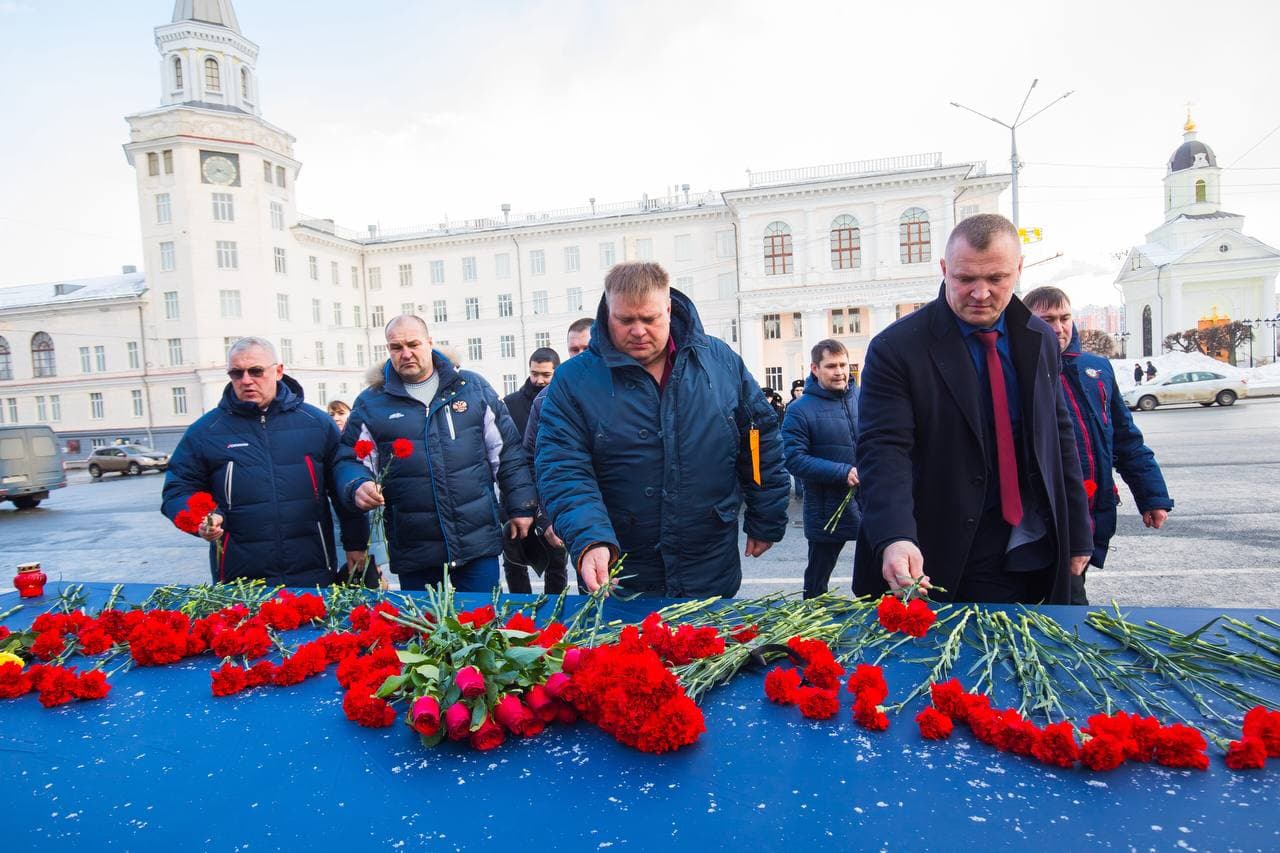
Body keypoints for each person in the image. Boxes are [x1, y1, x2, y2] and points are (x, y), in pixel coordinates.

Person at [852, 214, 1093, 605]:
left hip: (1035, 542)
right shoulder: (897, 349)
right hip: (942, 550)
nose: (980, 293)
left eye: (996, 279)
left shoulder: (1040, 338)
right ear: (945, 270)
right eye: (965, 279)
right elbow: (883, 451)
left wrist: (1078, 533)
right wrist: (896, 537)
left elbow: (1059, 435)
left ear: (1018, 270)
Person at [536, 261, 790, 598]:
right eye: (625, 320)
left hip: (708, 559)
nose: (638, 331)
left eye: (650, 319)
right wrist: (589, 539)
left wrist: (767, 513)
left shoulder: (720, 362)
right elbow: (562, 467)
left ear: (668, 309)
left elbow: (758, 439)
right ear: (607, 313)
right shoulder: (574, 380)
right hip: (618, 567)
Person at [335, 315, 537, 591]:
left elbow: (507, 452)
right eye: (396, 347)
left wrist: (520, 505)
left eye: (413, 344)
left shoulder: (472, 388)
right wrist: (357, 484)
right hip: (414, 547)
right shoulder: (372, 402)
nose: (406, 353)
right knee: (422, 629)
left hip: (475, 542)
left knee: (482, 625)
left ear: (429, 343)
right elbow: (350, 459)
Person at [162, 337, 368, 585]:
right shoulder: (206, 431)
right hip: (239, 578)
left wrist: (356, 544)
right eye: (237, 373)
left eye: (256, 371)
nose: (246, 380)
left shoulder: (316, 423)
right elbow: (178, 489)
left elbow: (342, 486)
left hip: (311, 569)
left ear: (278, 371)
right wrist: (201, 519)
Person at [1023, 287, 1174, 604]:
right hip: (1046, 517)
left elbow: (1125, 439)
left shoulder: (1097, 370)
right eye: (1046, 319)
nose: (1058, 328)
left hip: (1093, 510)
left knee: (1069, 594)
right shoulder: (1017, 371)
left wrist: (1152, 495)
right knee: (1066, 603)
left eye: (1064, 318)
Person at [782, 339, 861, 599]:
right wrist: (842, 472)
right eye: (831, 366)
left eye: (843, 365)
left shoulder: (863, 398)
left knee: (875, 574)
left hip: (870, 501)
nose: (839, 371)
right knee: (817, 580)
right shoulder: (799, 410)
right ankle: (811, 630)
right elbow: (794, 459)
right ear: (815, 368)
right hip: (827, 507)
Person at [501, 346, 566, 595]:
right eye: (534, 373)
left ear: (556, 373)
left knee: (556, 561)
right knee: (515, 563)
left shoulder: (560, 401)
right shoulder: (510, 404)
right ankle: (522, 618)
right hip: (515, 496)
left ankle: (554, 616)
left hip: (549, 494)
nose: (538, 379)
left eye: (546, 374)